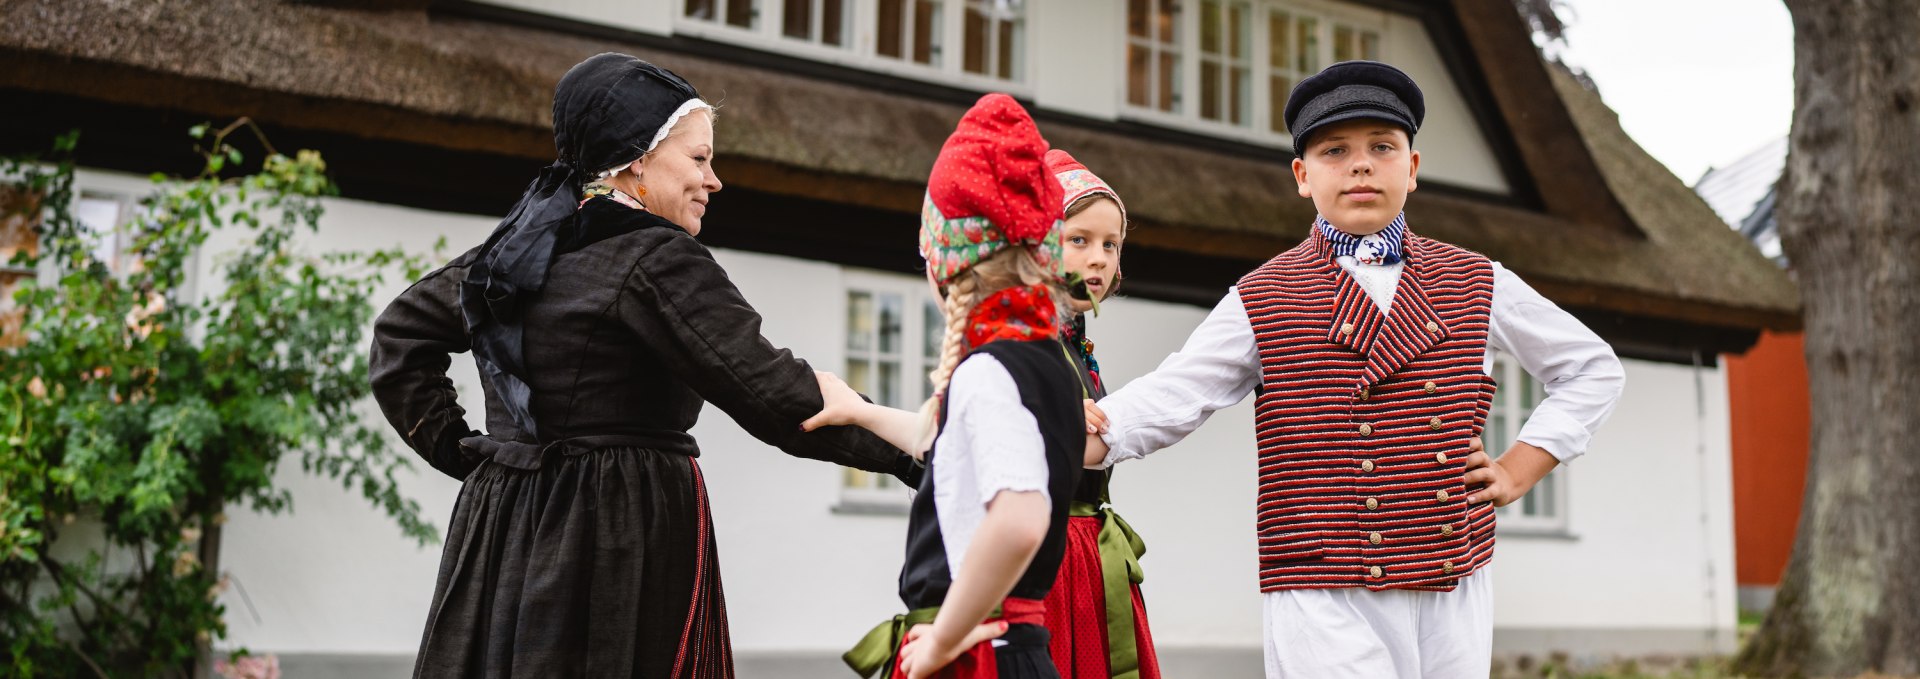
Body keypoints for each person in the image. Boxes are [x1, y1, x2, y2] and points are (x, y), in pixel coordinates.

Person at [368, 53, 919, 679]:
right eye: (699, 159)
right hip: (614, 524)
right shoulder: (658, 259)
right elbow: (774, 396)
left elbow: (399, 339)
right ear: (637, 157)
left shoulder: (513, 251)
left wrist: (470, 457)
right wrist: (925, 460)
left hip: (503, 519)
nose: (714, 181)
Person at [1082, 60, 1625, 678]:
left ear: (1412, 169)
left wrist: (1520, 468)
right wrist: (1087, 434)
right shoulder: (1264, 293)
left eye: (1382, 147)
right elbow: (1180, 390)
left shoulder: (1477, 278)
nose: (1361, 164)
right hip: (1320, 579)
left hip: (1450, 569)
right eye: (1335, 150)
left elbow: (1591, 369)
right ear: (1302, 176)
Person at [807, 93, 1083, 679]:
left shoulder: (988, 371)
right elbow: (951, 451)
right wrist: (859, 411)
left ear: (944, 263)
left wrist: (940, 641)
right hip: (1016, 647)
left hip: (976, 653)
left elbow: (1018, 520)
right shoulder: (1047, 362)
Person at [1034, 149, 1162, 679]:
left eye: (1111, 244)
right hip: (1046, 560)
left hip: (1091, 556)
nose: (1100, 258)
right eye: (1079, 240)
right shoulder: (1022, 340)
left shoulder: (1074, 344)